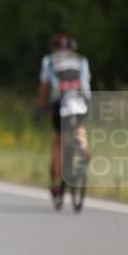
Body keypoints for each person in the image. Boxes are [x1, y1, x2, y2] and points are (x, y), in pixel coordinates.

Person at [38, 33, 91, 199]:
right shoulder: (82, 60)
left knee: (58, 141)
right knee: (79, 127)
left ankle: (55, 183)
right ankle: (84, 150)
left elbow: (45, 86)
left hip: (61, 102)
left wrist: (41, 107)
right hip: (81, 100)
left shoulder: (49, 60)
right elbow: (86, 82)